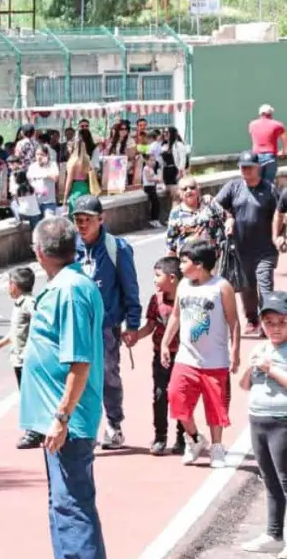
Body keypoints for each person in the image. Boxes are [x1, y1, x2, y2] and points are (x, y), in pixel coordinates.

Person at [19, 217, 106, 559]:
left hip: (68, 422)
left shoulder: (69, 292)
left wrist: (61, 416)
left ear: (39, 252)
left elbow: (79, 361)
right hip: (59, 421)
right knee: (64, 504)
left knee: (71, 506)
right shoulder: (66, 285)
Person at [72, 195, 142, 450]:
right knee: (77, 376)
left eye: (87, 220)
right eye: (77, 220)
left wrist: (132, 324)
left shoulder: (117, 248)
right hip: (76, 327)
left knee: (106, 376)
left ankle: (114, 424)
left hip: (106, 328)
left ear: (101, 219)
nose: (81, 225)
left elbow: (130, 288)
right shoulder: (70, 248)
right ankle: (83, 428)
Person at [164, 239, 240, 468]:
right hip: (186, 357)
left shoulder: (221, 287)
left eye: (184, 261)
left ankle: (217, 447)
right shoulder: (183, 286)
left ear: (198, 264)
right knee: (176, 397)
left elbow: (233, 320)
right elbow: (176, 315)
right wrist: (165, 343)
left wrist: (235, 350)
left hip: (214, 359)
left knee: (216, 405)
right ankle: (194, 438)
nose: (180, 266)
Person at [238, 290, 287, 555]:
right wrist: (251, 367)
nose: (275, 328)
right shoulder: (262, 348)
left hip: (282, 422)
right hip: (258, 419)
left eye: (282, 322)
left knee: (285, 480)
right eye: (269, 322)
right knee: (269, 480)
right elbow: (244, 385)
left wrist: (272, 369)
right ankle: (273, 534)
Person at [216, 151, 277, 336]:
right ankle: (252, 320)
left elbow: (281, 213)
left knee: (265, 284)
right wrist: (229, 217)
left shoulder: (269, 189)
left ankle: (268, 320)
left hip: (266, 249)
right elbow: (217, 207)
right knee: (247, 286)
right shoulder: (233, 187)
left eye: (249, 167)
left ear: (258, 168)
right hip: (241, 250)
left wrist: (280, 235)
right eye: (243, 167)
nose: (246, 171)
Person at [132, 257, 188, 456]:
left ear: (172, 278)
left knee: (181, 396)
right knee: (160, 394)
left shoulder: (189, 298)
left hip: (184, 357)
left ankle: (183, 436)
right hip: (160, 357)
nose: (154, 280)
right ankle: (160, 436)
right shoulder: (156, 300)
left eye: (158, 276)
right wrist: (135, 336)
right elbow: (150, 326)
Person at [0, 266, 42, 449]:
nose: (8, 288)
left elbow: (40, 321)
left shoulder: (28, 303)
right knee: (26, 394)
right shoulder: (19, 304)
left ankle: (34, 431)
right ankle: (34, 429)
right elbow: (15, 333)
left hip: (27, 359)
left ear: (15, 285)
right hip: (18, 359)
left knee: (30, 396)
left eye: (9, 284)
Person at [165, 176, 225, 257]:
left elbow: (224, 218)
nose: (189, 191)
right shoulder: (175, 213)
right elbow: (171, 243)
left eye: (192, 187)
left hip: (214, 255)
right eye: (184, 189)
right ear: (179, 193)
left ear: (197, 189)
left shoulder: (209, 204)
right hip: (190, 259)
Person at [250, 103, 285, 186]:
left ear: (259, 114)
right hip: (270, 156)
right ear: (271, 114)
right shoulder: (278, 125)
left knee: (255, 184)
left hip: (256, 157)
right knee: (269, 185)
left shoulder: (252, 125)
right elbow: (285, 138)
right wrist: (284, 151)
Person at [142, 153, 164, 228]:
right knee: (155, 202)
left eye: (154, 160)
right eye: (151, 160)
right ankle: (154, 219)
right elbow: (148, 179)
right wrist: (156, 180)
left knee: (156, 203)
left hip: (152, 187)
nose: (153, 162)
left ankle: (155, 219)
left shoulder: (151, 169)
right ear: (146, 161)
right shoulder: (146, 168)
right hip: (148, 187)